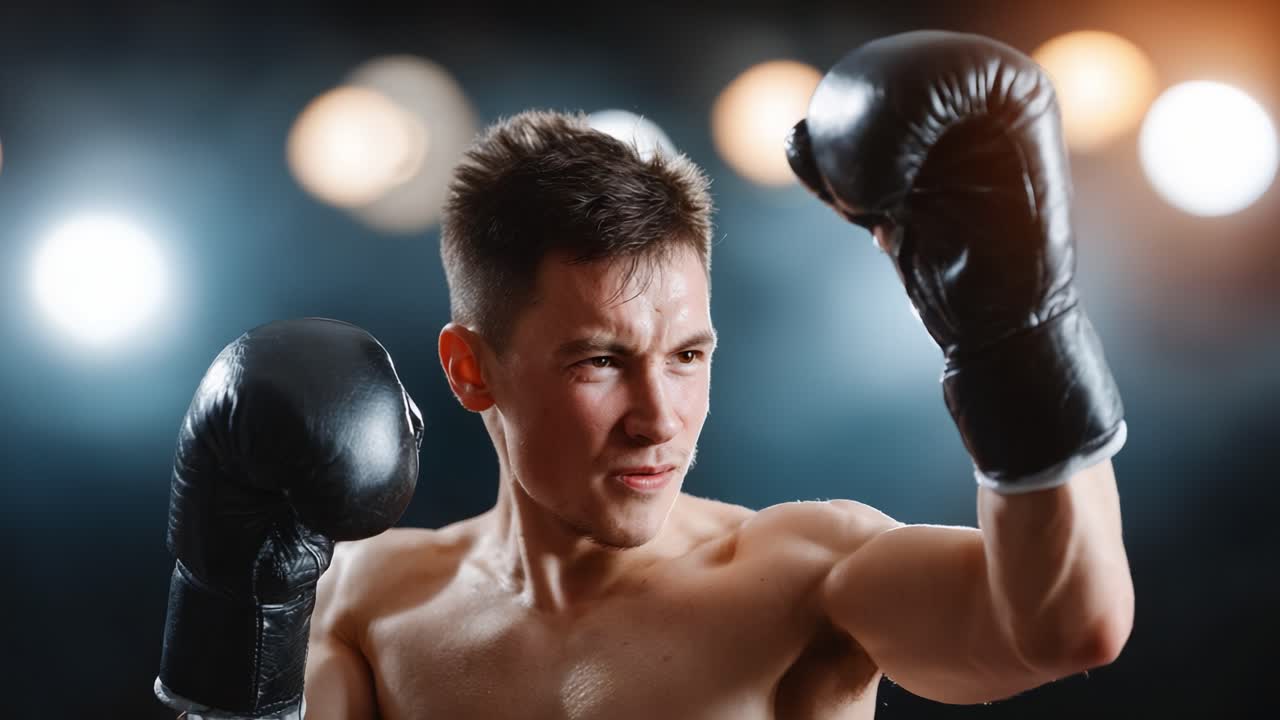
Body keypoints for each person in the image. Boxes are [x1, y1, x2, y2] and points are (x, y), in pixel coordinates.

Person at [156, 30, 1134, 720]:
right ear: (469, 369)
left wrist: (1015, 336)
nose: (658, 418)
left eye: (687, 356)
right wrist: (232, 627)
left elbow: (1062, 628)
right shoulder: (370, 603)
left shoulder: (802, 578)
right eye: (598, 361)